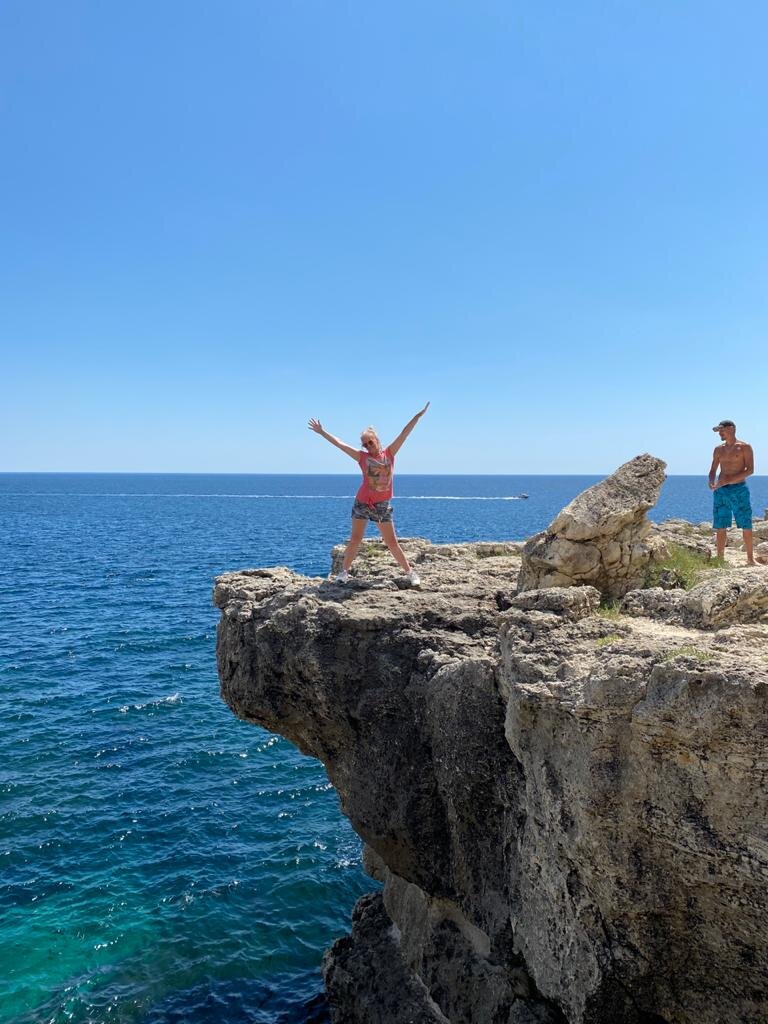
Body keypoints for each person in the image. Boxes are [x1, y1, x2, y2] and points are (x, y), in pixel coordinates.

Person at [308, 403, 430, 584]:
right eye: (365, 444)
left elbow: (405, 433)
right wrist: (322, 432)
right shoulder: (362, 458)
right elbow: (340, 444)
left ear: (377, 440)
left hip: (382, 505)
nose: (367, 446)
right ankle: (344, 573)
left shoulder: (390, 453)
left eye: (370, 442)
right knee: (355, 540)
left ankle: (410, 573)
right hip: (362, 503)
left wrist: (417, 417)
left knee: (392, 543)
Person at [708, 419, 755, 565]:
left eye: (722, 430)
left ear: (732, 429)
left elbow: (750, 470)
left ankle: (750, 559)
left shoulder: (744, 447)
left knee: (746, 523)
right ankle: (720, 560)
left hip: (739, 489)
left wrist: (729, 480)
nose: (720, 433)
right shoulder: (718, 449)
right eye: (718, 431)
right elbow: (713, 470)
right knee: (721, 524)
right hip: (721, 491)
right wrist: (711, 481)